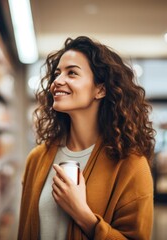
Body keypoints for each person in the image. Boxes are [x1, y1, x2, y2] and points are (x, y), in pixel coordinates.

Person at [18, 36, 155, 240]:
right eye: (57, 74)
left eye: (72, 73)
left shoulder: (130, 165)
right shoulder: (37, 159)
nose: (57, 81)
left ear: (100, 89)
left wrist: (82, 215)